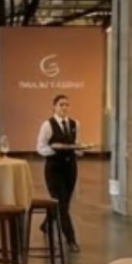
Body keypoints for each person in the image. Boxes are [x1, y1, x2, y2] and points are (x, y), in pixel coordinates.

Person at [36, 94, 81, 253]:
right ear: (54, 107)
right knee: (62, 206)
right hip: (54, 169)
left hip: (70, 169)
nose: (64, 108)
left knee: (63, 202)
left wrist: (78, 151)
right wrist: (56, 150)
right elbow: (40, 147)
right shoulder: (47, 125)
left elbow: (75, 144)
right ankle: (71, 240)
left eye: (67, 105)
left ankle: (45, 225)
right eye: (61, 105)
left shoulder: (75, 123)